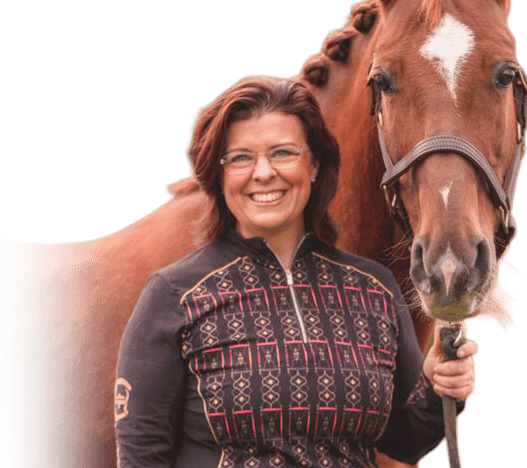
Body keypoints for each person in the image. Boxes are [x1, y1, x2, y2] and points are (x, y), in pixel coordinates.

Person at [114, 76, 477, 467]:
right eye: (240, 158)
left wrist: (439, 388)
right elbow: (141, 454)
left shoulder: (374, 289)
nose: (263, 172)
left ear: (315, 164)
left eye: (283, 153)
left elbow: (404, 441)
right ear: (220, 176)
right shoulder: (175, 295)